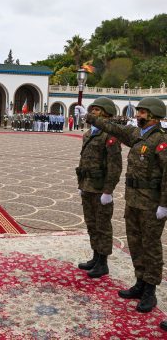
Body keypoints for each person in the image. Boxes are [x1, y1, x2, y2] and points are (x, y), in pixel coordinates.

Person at [86, 97, 167, 313]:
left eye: (142, 112)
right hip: (133, 201)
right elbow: (113, 127)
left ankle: (150, 290)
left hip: (151, 205)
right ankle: (140, 282)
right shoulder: (136, 136)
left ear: (153, 116)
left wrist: (164, 204)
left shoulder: (160, 140)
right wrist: (92, 118)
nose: (137, 115)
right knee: (135, 244)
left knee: (151, 247)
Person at [76, 97, 122, 278]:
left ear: (106, 114)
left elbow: (115, 166)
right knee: (91, 224)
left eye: (97, 110)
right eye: (92, 109)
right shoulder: (89, 134)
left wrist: (108, 191)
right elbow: (83, 160)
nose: (92, 112)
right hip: (87, 185)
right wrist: (81, 184)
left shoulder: (110, 136)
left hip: (101, 188)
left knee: (103, 226)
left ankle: (103, 263)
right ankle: (95, 257)